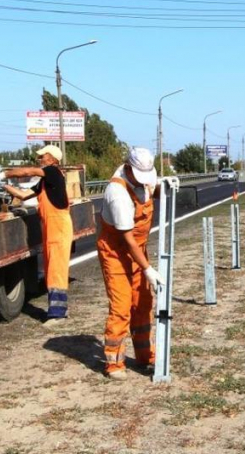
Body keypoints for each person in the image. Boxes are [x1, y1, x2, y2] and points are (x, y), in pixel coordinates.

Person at [96, 147, 164, 380]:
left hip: (138, 251)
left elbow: (153, 190)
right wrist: (147, 269)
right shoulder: (118, 193)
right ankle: (114, 363)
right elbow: (127, 238)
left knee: (143, 303)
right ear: (128, 168)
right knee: (122, 306)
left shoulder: (144, 175)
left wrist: (168, 186)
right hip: (116, 253)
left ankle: (146, 356)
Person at [3, 145, 73, 327]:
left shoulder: (52, 172)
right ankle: (60, 309)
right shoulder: (44, 182)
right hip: (51, 228)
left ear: (51, 159)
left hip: (58, 228)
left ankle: (57, 314)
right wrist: (5, 187)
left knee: (56, 271)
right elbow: (24, 195)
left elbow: (28, 170)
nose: (39, 159)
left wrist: (7, 174)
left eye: (42, 156)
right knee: (51, 269)